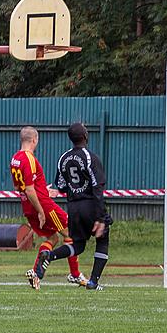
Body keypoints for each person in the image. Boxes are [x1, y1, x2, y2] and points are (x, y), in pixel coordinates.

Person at [34, 123, 111, 291]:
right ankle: (93, 281)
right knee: (102, 240)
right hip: (91, 205)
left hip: (74, 208)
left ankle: (50, 255)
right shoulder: (90, 157)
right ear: (85, 136)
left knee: (78, 245)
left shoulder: (64, 158)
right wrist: (100, 217)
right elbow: (97, 187)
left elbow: (61, 185)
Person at [11, 126, 87, 289]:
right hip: (43, 206)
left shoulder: (15, 158)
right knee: (71, 234)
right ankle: (74, 275)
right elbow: (30, 189)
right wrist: (41, 210)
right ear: (34, 140)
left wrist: (42, 189)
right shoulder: (29, 159)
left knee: (53, 238)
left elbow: (19, 188)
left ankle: (35, 274)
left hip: (28, 206)